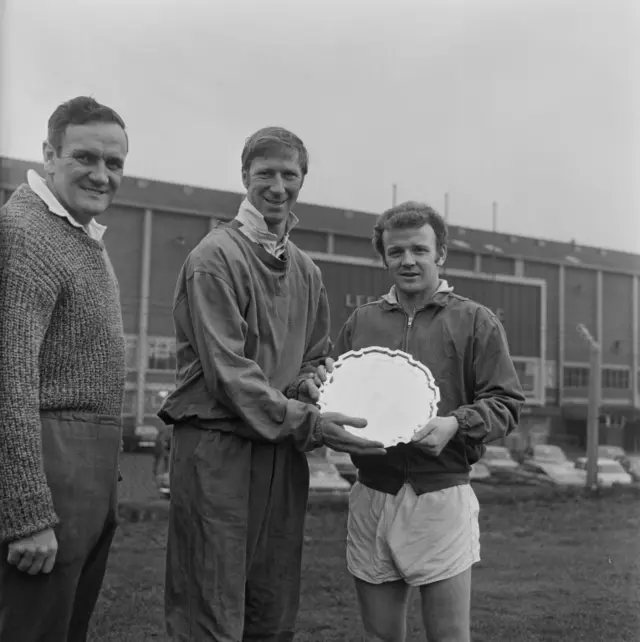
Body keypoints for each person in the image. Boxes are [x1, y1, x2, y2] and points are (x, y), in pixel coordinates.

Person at [157, 126, 386, 641]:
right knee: (209, 602)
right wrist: (311, 422)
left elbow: (313, 356)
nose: (278, 186)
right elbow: (228, 372)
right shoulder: (214, 258)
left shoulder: (307, 271)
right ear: (244, 177)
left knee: (273, 602)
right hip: (219, 449)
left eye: (290, 174)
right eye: (266, 174)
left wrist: (310, 384)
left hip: (281, 452)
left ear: (304, 179)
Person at [311, 201, 526, 642]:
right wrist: (317, 392)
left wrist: (456, 425)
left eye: (419, 250)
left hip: (441, 495)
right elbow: (333, 386)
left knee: (448, 637)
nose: (407, 260)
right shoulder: (362, 321)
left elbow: (506, 402)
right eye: (396, 252)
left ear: (440, 253)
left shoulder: (475, 320)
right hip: (372, 492)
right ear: (384, 257)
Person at [0, 97, 129, 642]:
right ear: (49, 155)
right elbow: (9, 378)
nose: (102, 175)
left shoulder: (79, 233)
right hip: (51, 468)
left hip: (89, 471)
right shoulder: (24, 233)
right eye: (85, 157)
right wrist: (28, 512)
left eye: (115, 163)